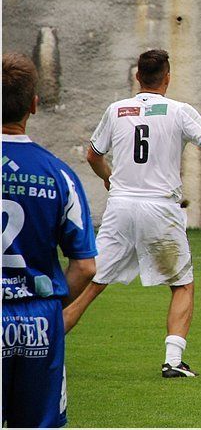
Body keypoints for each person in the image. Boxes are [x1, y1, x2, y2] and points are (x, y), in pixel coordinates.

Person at [62, 49, 201, 378]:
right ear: (168, 77)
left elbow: (93, 155)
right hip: (160, 210)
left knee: (93, 283)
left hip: (120, 208)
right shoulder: (179, 111)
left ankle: (40, 343)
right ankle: (173, 362)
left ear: (138, 77)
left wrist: (109, 177)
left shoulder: (116, 109)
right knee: (182, 285)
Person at [2, 53, 97, 427]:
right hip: (39, 319)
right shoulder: (59, 175)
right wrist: (50, 308)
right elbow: (85, 266)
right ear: (34, 105)